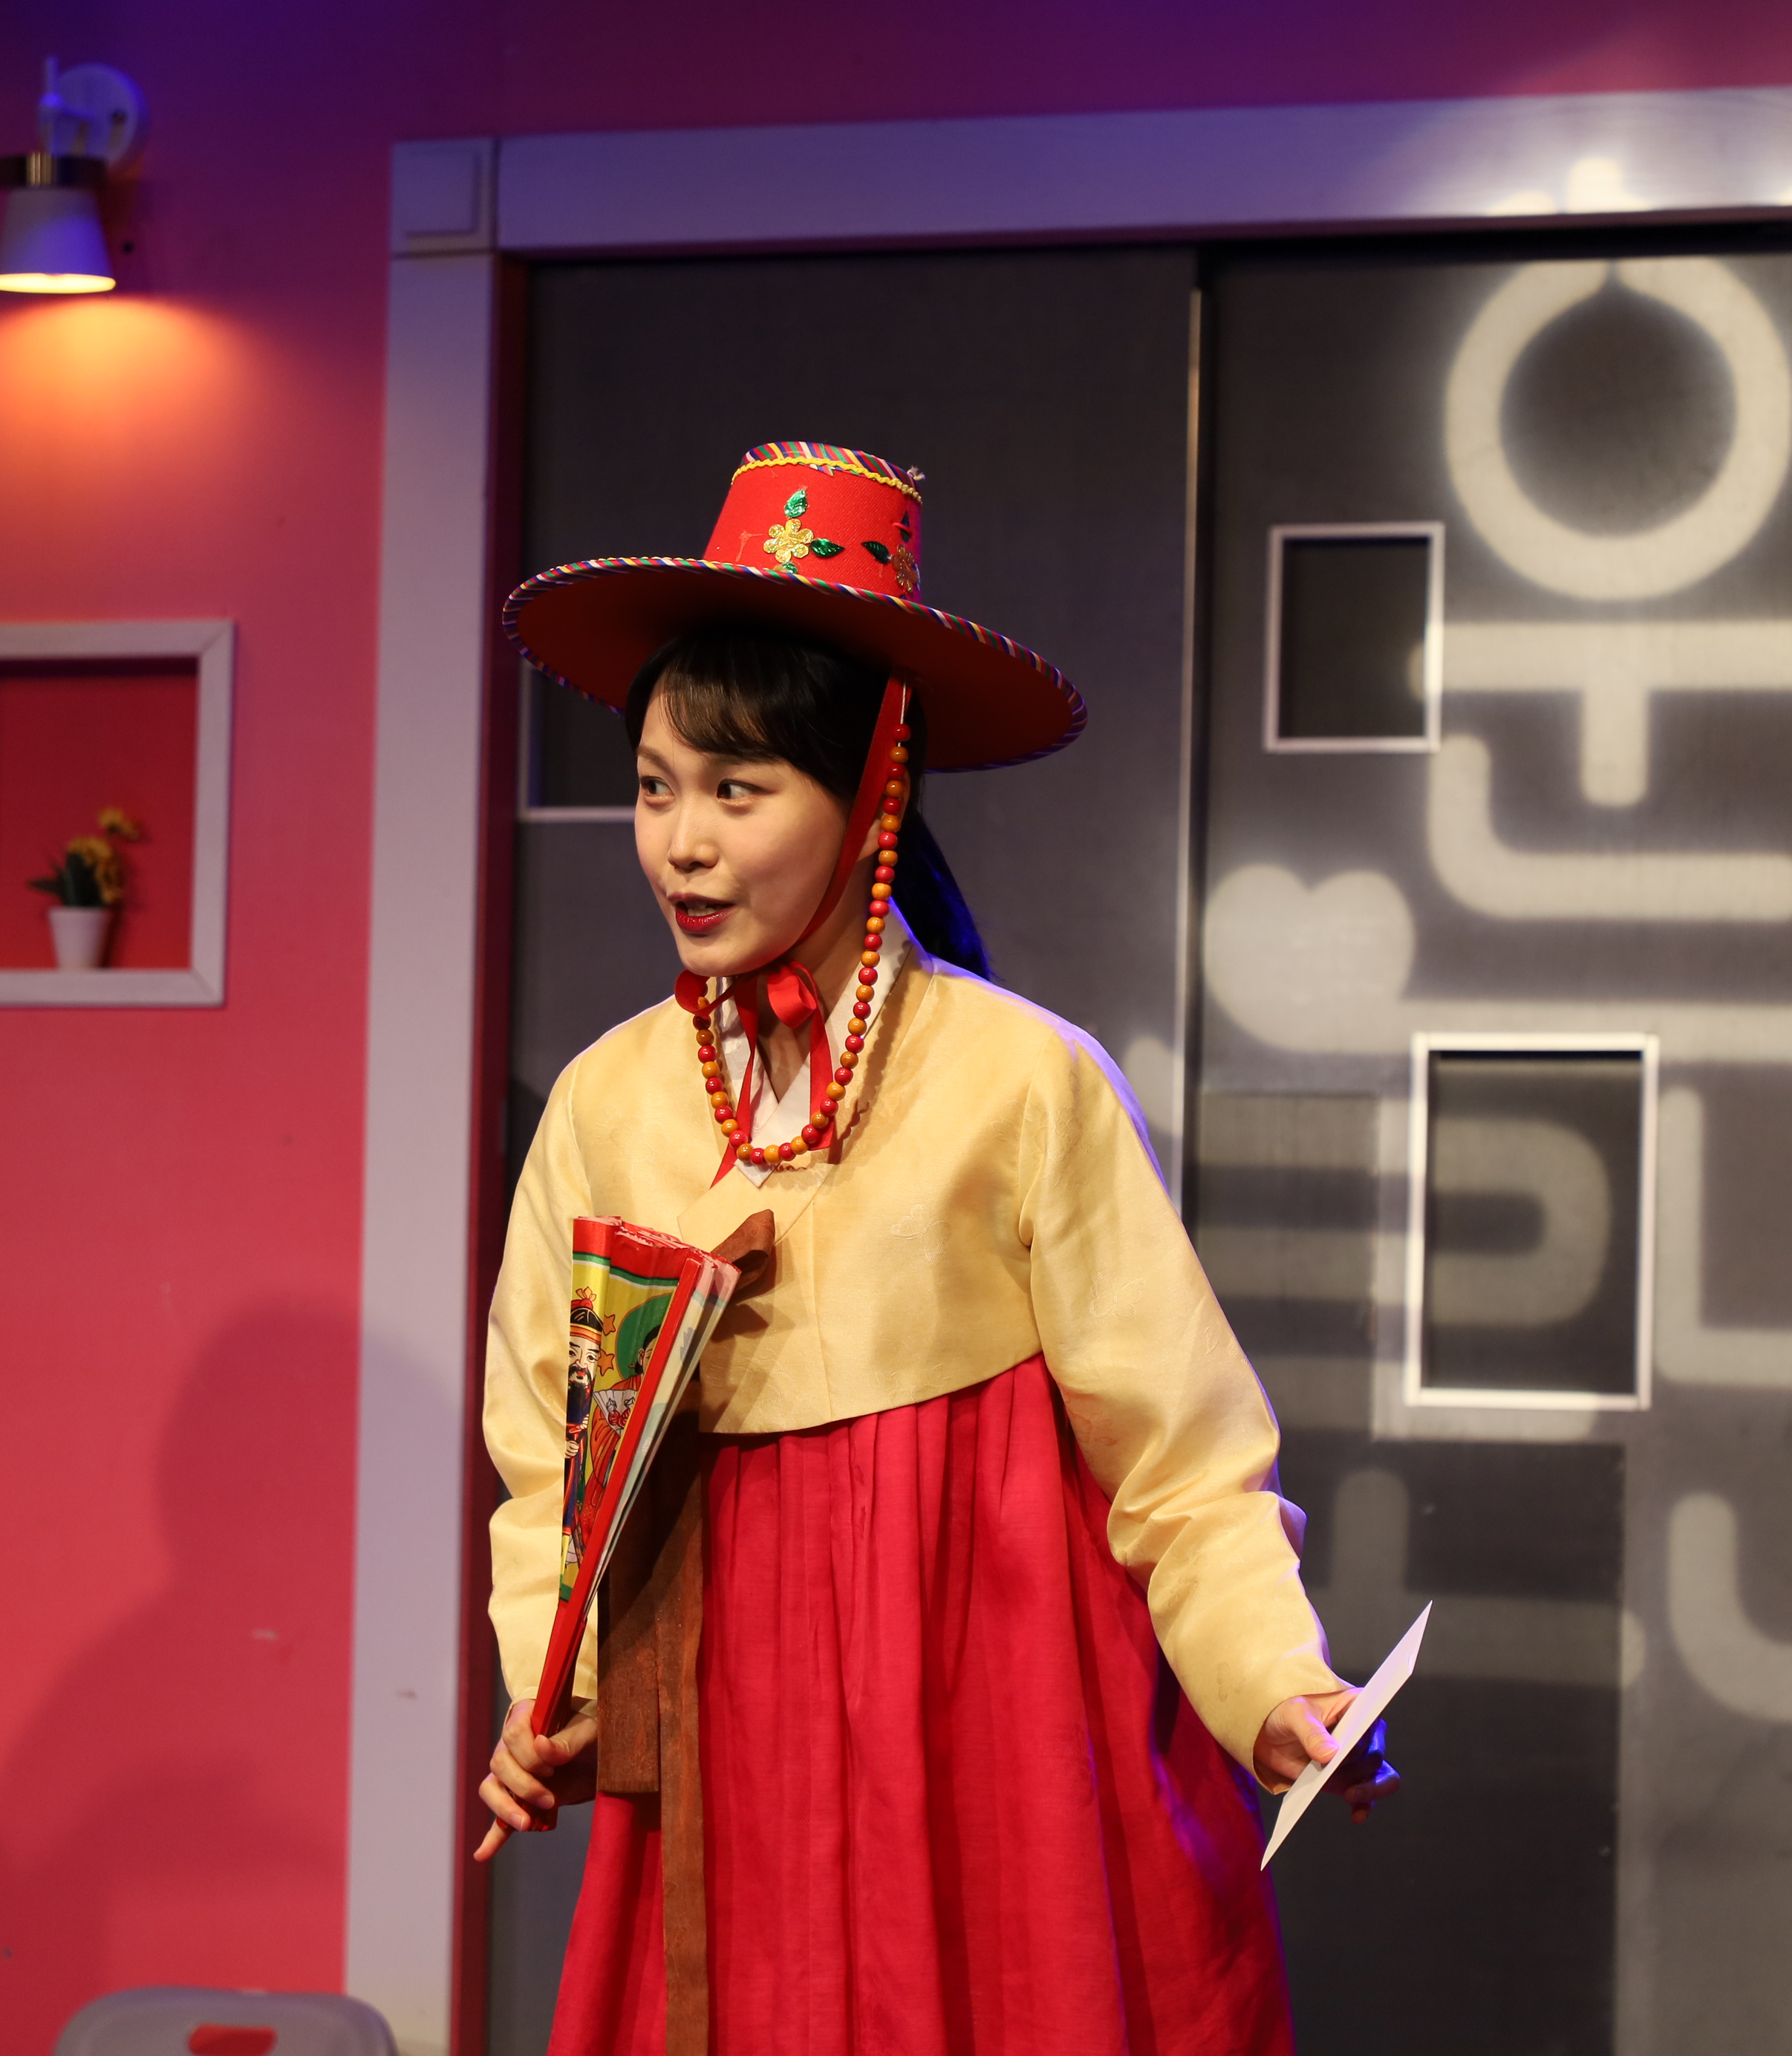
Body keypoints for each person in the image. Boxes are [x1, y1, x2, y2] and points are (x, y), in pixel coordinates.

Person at [476, 442, 1392, 2055]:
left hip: (994, 1700)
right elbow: (557, 1462)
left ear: (871, 792)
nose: (681, 842)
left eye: (737, 790)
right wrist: (557, 1692)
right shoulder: (610, 1102)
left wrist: (1274, 1679)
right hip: (728, 1717)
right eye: (656, 787)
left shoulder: (1022, 1079)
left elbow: (1178, 1460)